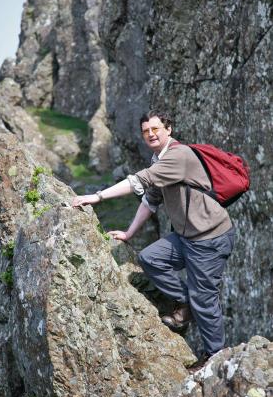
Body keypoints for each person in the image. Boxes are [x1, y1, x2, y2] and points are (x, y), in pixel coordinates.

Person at [72, 110, 235, 372]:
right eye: (146, 131)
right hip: (186, 237)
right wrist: (128, 233)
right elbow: (151, 200)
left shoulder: (178, 156)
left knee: (204, 299)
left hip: (210, 238)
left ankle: (215, 358)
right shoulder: (159, 158)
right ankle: (185, 303)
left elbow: (139, 180)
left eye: (156, 129)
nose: (151, 134)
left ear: (168, 129)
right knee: (151, 258)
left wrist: (97, 196)